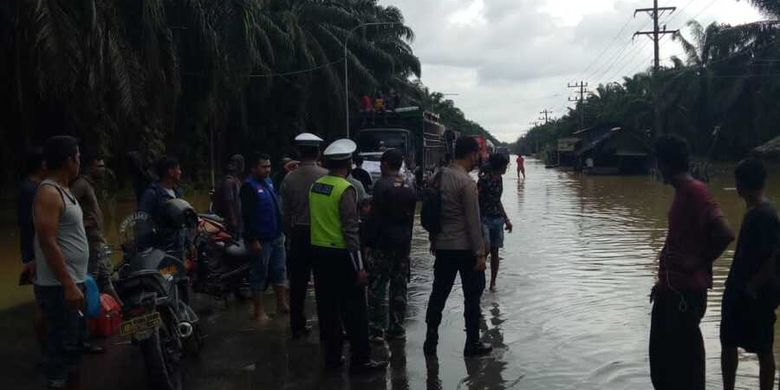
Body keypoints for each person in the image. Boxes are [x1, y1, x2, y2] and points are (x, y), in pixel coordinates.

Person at [649, 135, 735, 390]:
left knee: (684, 364)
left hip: (685, 294)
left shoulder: (695, 192)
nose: (656, 169)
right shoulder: (682, 193)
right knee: (663, 362)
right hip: (671, 290)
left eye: (658, 162)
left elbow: (726, 233)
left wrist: (697, 261)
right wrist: (662, 281)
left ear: (665, 164)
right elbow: (677, 240)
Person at [309, 139, 388, 373]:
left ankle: (332, 359)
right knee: (355, 311)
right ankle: (361, 360)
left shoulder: (317, 185)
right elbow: (350, 231)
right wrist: (360, 268)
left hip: (319, 252)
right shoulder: (346, 189)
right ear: (349, 164)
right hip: (341, 255)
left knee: (329, 309)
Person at [424, 136, 492, 357]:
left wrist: (433, 239)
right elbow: (473, 222)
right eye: (478, 155)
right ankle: (472, 343)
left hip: (443, 246)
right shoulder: (466, 182)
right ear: (472, 154)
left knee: (438, 294)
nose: (479, 159)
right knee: (472, 298)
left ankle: (430, 339)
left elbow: (433, 211)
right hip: (464, 248)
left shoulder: (438, 175)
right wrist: (480, 254)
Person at [33, 136, 89, 390]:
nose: (80, 161)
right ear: (69, 160)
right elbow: (47, 241)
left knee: (74, 346)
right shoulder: (48, 192)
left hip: (73, 281)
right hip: (59, 287)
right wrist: (67, 283)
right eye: (77, 156)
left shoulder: (65, 190)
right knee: (60, 352)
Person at [721, 159, 780, 390]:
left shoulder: (764, 216)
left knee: (762, 347)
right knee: (732, 342)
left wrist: (752, 287)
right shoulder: (758, 211)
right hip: (744, 290)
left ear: (741, 184)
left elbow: (774, 258)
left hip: (754, 294)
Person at [366, 149, 417, 343]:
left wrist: (369, 243)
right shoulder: (409, 185)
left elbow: (375, 218)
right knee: (399, 286)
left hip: (383, 244)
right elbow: (411, 219)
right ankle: (397, 327)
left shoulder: (381, 186)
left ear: (386, 164)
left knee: (377, 287)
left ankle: (376, 329)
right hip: (403, 244)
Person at [279, 133, 327, 339]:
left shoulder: (289, 178)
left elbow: (284, 211)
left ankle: (297, 325)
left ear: (299, 152)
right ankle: (327, 325)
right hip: (322, 234)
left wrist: (290, 234)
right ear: (318, 152)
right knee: (324, 283)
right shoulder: (326, 176)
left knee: (297, 284)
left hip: (298, 233)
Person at [241, 152, 288, 325]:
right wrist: (253, 239)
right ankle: (258, 311)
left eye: (269, 166)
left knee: (279, 271)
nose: (267, 170)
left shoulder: (268, 182)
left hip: (276, 236)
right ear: (254, 168)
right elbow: (246, 216)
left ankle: (282, 304)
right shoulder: (249, 187)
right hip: (260, 240)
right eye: (264, 167)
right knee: (259, 274)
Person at [70, 151, 120, 304]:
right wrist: (83, 224)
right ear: (89, 167)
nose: (102, 169)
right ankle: (85, 312)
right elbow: (66, 208)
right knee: (91, 276)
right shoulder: (81, 185)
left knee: (105, 277)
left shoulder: (90, 185)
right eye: (99, 166)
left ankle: (120, 308)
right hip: (90, 239)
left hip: (97, 237)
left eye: (103, 166)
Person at [479, 153, 513, 292]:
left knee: (495, 252)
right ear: (499, 166)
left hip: (497, 219)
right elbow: (475, 199)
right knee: (485, 250)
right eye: (505, 165)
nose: (506, 168)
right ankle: (478, 280)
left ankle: (492, 284)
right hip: (484, 218)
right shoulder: (483, 180)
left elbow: (497, 200)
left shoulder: (499, 180)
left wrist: (506, 219)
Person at [139, 156, 183, 223]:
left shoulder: (178, 192)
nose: (180, 172)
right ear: (170, 172)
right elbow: (141, 221)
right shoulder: (151, 194)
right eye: (178, 169)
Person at [213, 154, 245, 236]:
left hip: (238, 219)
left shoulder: (236, 180)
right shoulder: (229, 181)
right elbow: (229, 201)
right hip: (230, 221)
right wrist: (233, 220)